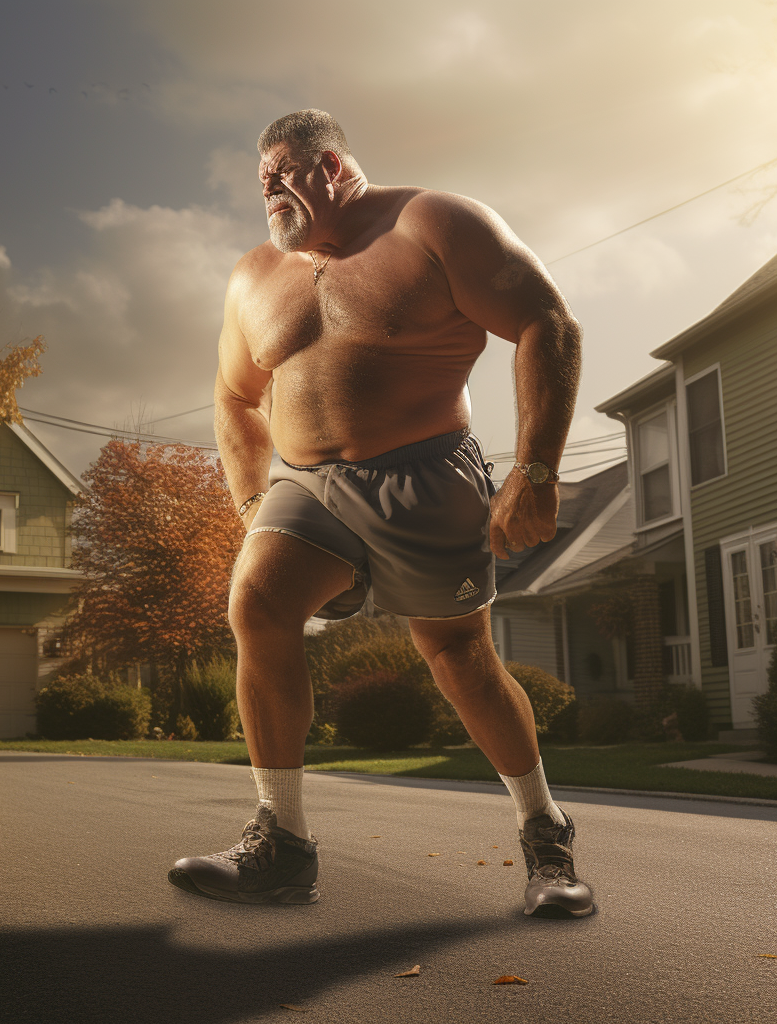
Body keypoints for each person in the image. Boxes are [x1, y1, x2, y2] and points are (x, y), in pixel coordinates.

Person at [168, 109, 593, 918]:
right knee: (256, 602)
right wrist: (254, 499)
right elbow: (232, 395)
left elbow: (547, 321)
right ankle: (282, 845)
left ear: (330, 166)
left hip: (425, 472)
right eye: (260, 185)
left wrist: (537, 469)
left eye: (282, 177)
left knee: (460, 660)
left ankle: (545, 833)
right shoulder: (255, 275)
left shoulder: (432, 223)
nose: (270, 197)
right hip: (305, 484)